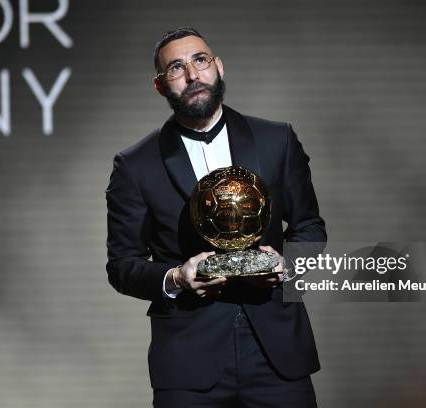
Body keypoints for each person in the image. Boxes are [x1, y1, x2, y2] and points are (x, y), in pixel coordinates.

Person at [105, 27, 326, 408]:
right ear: (160, 86)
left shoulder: (277, 140)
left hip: (278, 356)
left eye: (200, 60)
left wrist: (286, 263)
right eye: (176, 68)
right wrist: (176, 277)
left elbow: (310, 227)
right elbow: (122, 265)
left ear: (219, 67)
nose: (192, 75)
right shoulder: (135, 165)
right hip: (189, 364)